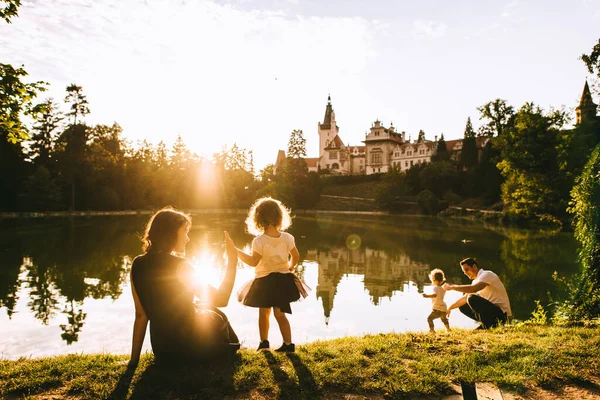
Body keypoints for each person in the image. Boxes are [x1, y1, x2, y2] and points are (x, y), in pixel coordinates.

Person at [128, 207, 240, 367]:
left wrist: (134, 361)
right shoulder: (182, 265)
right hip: (193, 348)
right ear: (171, 233)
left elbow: (141, 315)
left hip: (164, 352)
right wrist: (232, 262)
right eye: (185, 231)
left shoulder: (137, 264)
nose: (187, 238)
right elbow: (221, 299)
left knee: (204, 306)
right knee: (217, 313)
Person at [236, 197, 310, 352]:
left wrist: (236, 251)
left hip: (264, 282)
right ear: (279, 217)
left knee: (264, 314)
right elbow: (295, 256)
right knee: (281, 315)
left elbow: (253, 261)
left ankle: (264, 344)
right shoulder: (288, 237)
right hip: (283, 281)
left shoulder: (259, 241)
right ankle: (289, 345)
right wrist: (290, 267)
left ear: (258, 219)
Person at [444, 258, 512, 329]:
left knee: (471, 298)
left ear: (474, 267)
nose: (466, 273)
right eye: (464, 272)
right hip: (493, 313)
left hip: (502, 314)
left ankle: (490, 324)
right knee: (462, 306)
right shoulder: (475, 281)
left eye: (467, 270)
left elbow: (473, 288)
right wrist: (449, 308)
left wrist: (452, 287)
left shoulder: (487, 274)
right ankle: (488, 324)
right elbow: (464, 298)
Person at [421, 268, 450, 333]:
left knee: (429, 319)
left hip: (437, 308)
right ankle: (448, 329)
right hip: (443, 307)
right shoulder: (442, 289)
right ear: (442, 280)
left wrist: (427, 296)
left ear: (433, 279)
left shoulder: (435, 288)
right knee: (444, 319)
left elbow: (435, 295)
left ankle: (432, 330)